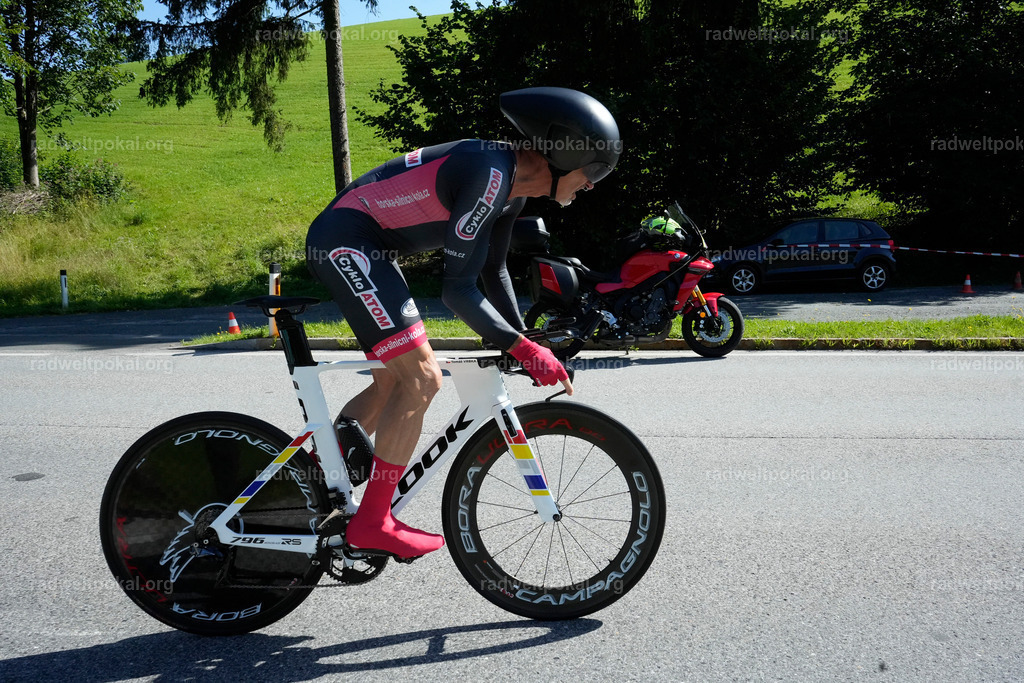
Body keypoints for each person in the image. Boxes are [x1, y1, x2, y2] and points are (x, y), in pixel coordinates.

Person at [305, 86, 621, 560]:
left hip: (369, 247)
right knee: (423, 380)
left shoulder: (509, 192)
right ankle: (373, 521)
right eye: (594, 170)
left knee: (395, 384)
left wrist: (527, 340)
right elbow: (457, 290)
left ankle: (305, 480)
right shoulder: (490, 173)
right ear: (563, 153)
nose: (593, 184)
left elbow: (491, 273)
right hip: (348, 240)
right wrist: (524, 348)